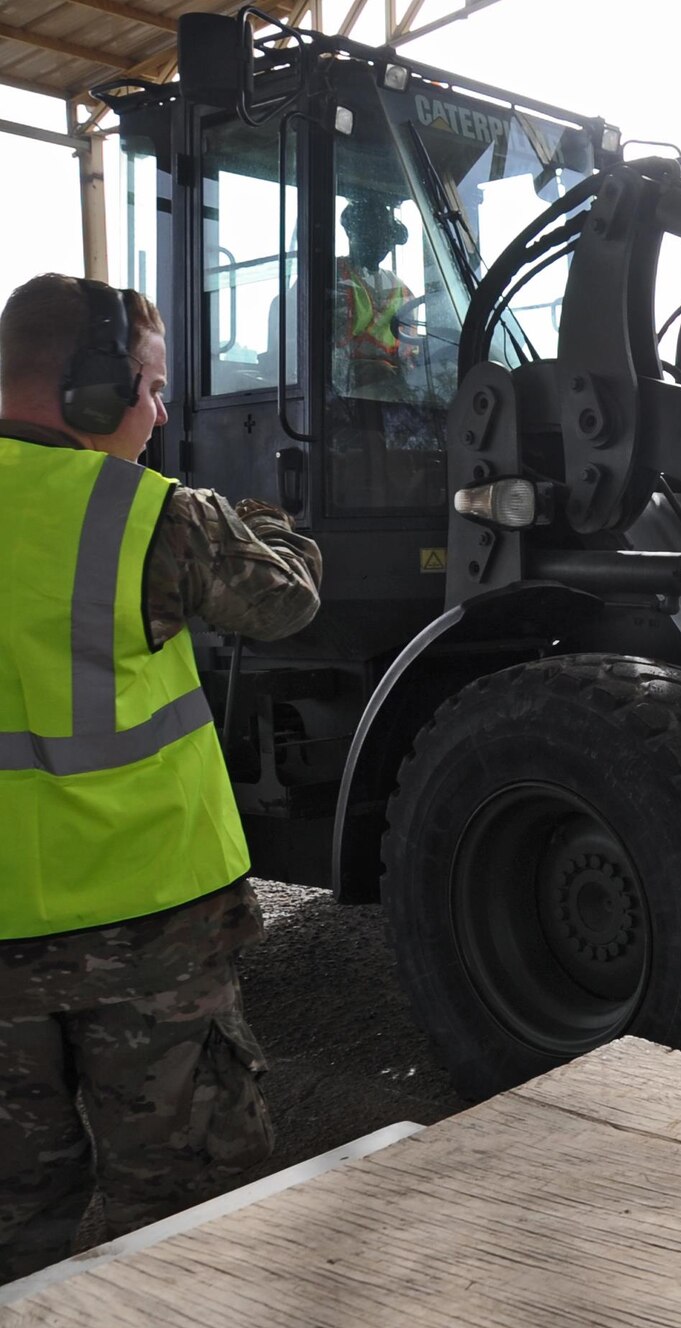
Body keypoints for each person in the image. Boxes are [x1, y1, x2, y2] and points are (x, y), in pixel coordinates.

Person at [0, 273, 323, 1281]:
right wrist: (257, 511)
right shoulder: (151, 517)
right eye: (150, 388)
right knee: (185, 1223)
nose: (159, 412)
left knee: (15, 1225)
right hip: (149, 933)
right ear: (94, 395)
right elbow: (288, 594)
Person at [333, 199, 417, 400]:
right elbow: (319, 355)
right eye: (373, 236)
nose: (383, 244)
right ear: (352, 233)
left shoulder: (401, 290)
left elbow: (409, 354)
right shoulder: (330, 277)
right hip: (346, 396)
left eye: (386, 238)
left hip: (389, 393)